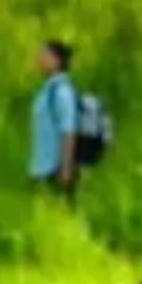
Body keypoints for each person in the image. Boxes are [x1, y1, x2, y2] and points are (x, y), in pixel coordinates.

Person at [31, 39, 82, 193]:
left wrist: (66, 168)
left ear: (57, 61)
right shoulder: (47, 90)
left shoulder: (62, 92)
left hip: (55, 170)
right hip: (41, 167)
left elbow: (68, 130)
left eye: (44, 56)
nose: (39, 60)